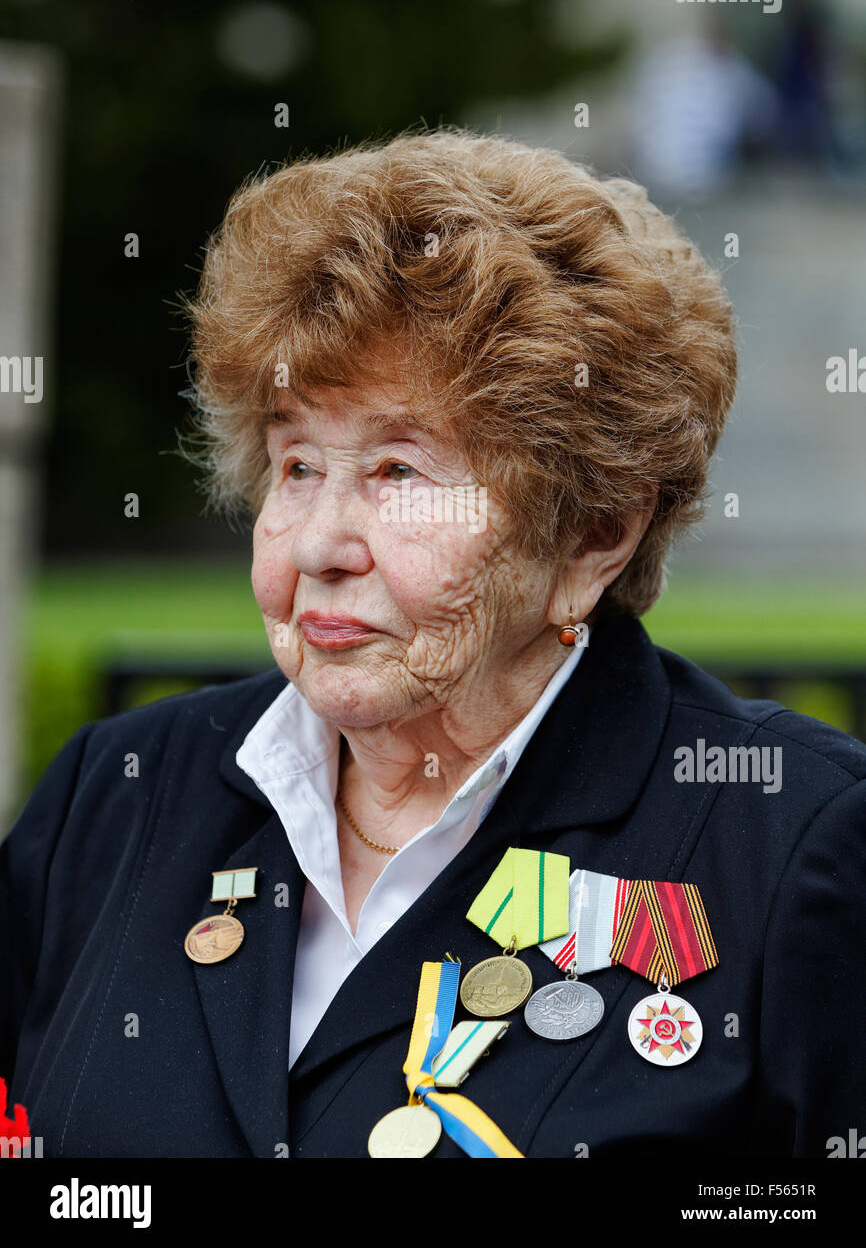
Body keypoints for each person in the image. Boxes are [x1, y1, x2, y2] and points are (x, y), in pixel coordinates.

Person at [2, 127, 864, 1159]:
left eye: (398, 472)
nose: (319, 543)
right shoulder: (118, 793)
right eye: (296, 464)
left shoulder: (792, 840)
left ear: (593, 530)